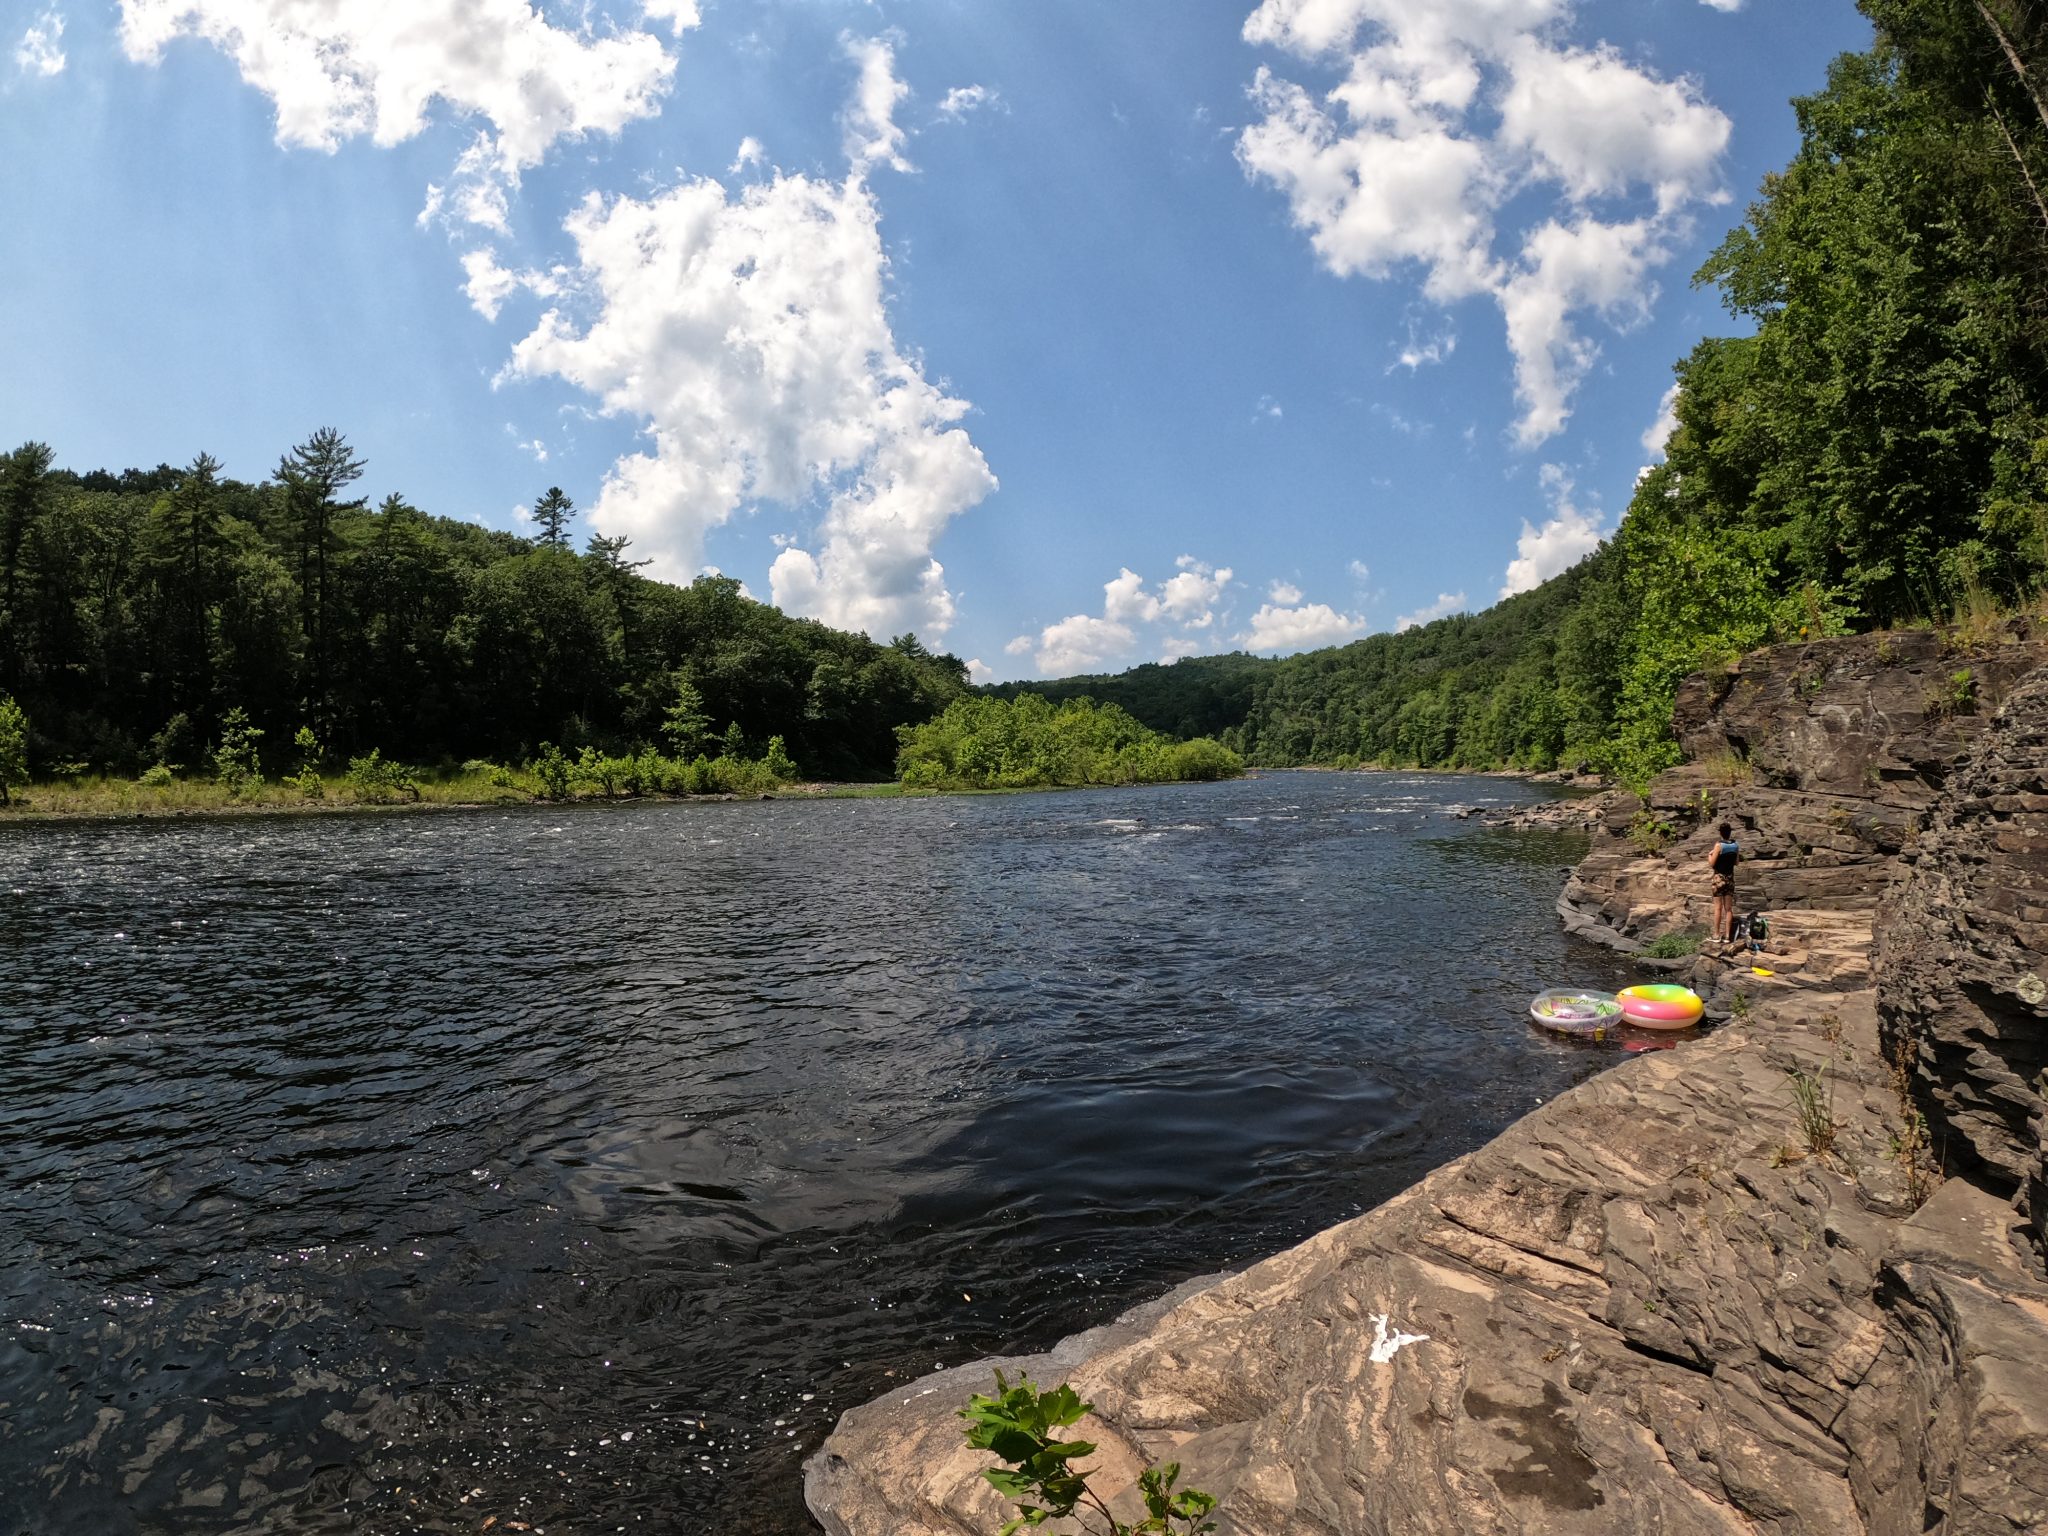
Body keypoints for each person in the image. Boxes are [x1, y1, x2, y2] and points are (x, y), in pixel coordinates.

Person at [1706, 821, 1740, 946]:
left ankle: (1716, 935)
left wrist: (1709, 855)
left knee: (1718, 908)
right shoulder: (1735, 845)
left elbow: (1712, 864)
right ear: (1730, 832)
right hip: (1730, 879)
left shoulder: (1719, 845)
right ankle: (1727, 936)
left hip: (1719, 879)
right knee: (1729, 909)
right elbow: (1736, 862)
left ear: (1720, 833)